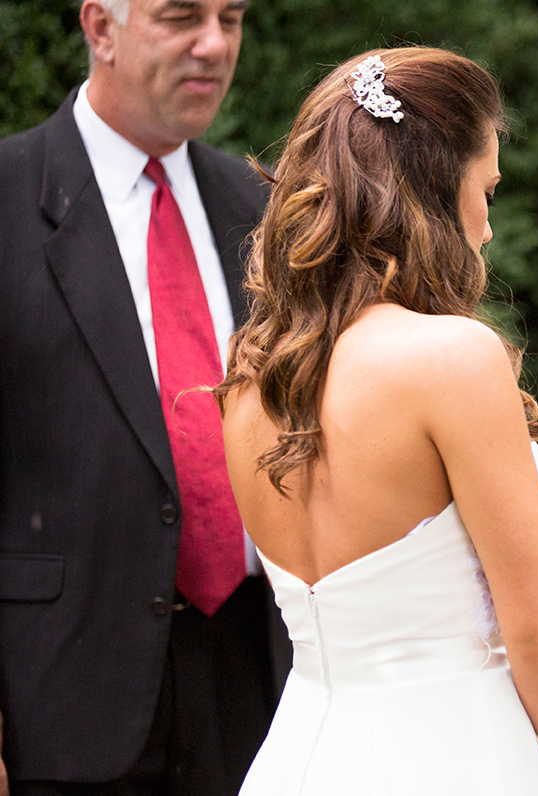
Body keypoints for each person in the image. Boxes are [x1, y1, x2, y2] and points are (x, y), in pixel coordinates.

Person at [218, 47, 538, 796]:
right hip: (453, 752)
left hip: (299, 756)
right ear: (436, 184)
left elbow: (376, 561)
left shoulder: (250, 374)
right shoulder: (451, 358)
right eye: (486, 190)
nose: (488, 228)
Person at [0, 0, 292, 794]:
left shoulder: (261, 208)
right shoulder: (8, 197)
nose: (213, 44)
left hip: (256, 683)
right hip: (60, 701)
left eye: (230, 18)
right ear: (101, 29)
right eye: (181, 17)